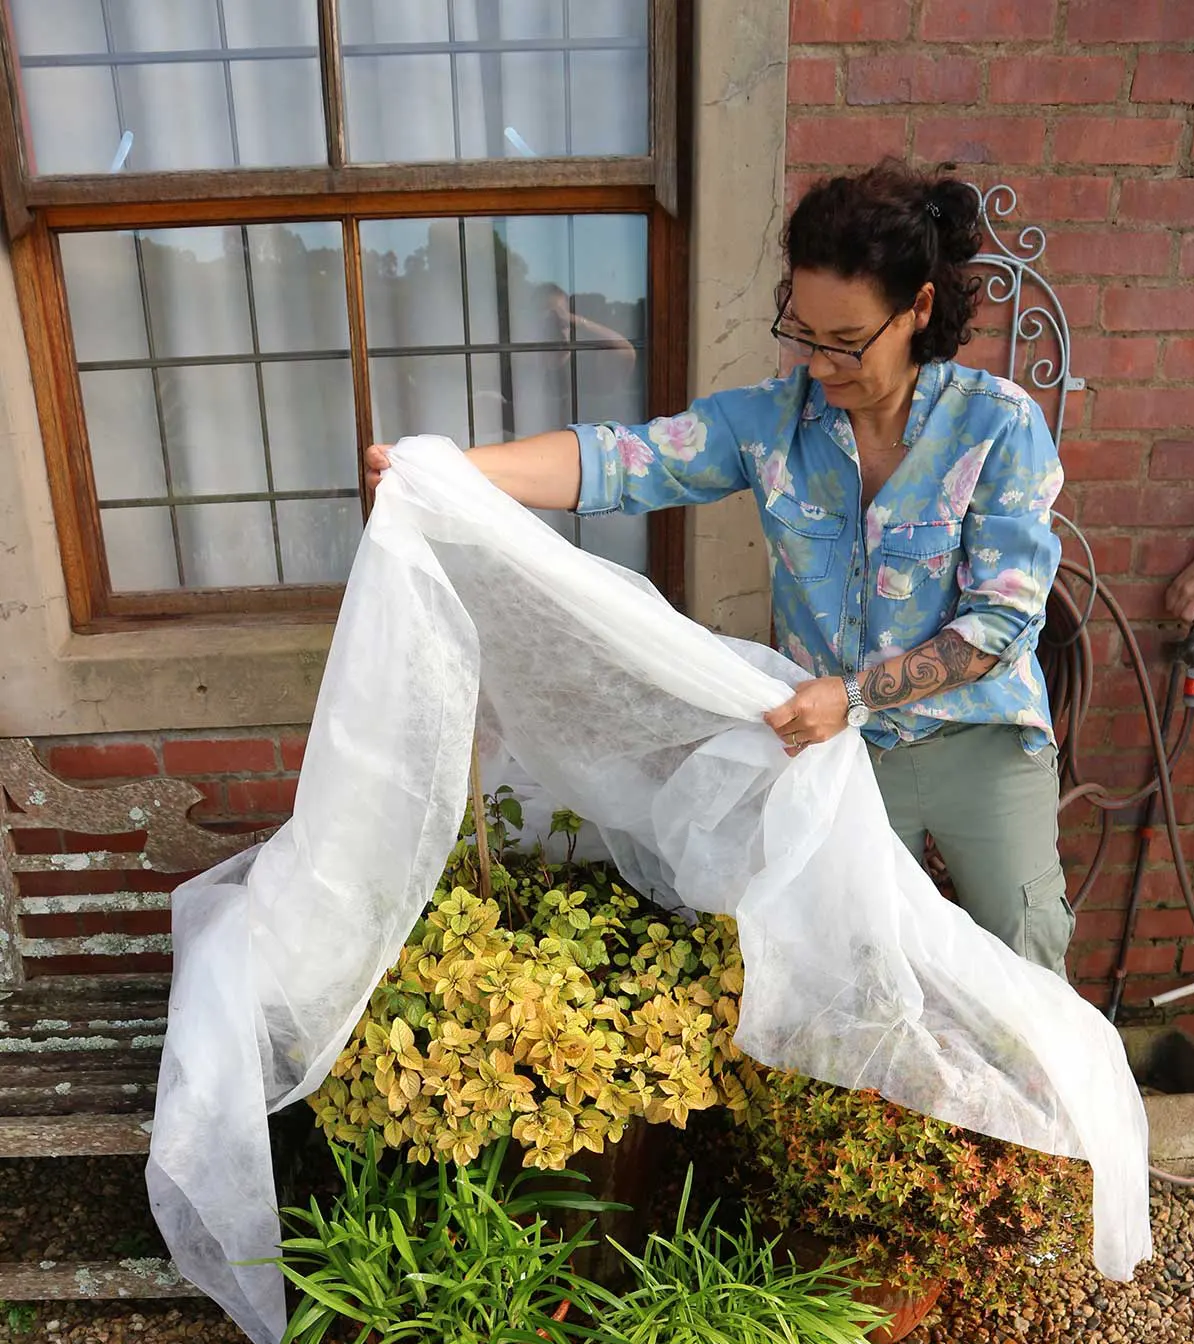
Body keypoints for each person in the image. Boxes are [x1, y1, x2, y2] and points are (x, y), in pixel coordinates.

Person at [367, 160, 1073, 977]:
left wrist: (851, 695)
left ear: (918, 309)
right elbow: (626, 461)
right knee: (857, 968)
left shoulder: (998, 426)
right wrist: (456, 469)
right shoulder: (772, 424)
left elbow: (1004, 620)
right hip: (841, 761)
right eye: (805, 335)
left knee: (1024, 956)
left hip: (977, 743)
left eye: (847, 343)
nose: (819, 365)